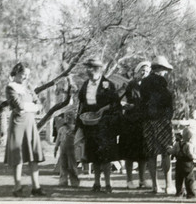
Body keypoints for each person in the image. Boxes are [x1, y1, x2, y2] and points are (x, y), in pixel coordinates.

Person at [75, 57, 120, 193]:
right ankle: (96, 183)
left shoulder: (108, 84)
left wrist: (103, 109)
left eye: (92, 68)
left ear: (98, 69)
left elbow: (115, 104)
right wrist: (80, 122)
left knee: (105, 155)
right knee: (93, 154)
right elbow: (81, 104)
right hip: (90, 123)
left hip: (105, 124)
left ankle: (108, 184)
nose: (89, 70)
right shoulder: (85, 85)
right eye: (88, 68)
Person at [4, 62, 46, 197]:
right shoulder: (10, 88)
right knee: (18, 157)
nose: (25, 77)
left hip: (30, 123)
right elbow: (19, 105)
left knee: (33, 156)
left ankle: (36, 187)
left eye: (27, 75)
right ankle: (17, 188)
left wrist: (33, 107)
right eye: (23, 74)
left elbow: (39, 104)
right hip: (18, 124)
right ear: (16, 73)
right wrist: (32, 107)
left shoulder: (28, 87)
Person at [140, 56, 175, 194]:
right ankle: (169, 185)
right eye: (165, 70)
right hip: (162, 120)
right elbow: (167, 101)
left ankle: (155, 185)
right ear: (160, 69)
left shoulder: (144, 82)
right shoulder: (161, 81)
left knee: (151, 153)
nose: (165, 72)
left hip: (148, 121)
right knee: (166, 152)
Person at [119, 61, 151, 189]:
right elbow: (121, 99)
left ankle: (142, 180)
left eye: (147, 71)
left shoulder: (149, 86)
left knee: (143, 154)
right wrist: (125, 105)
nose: (145, 73)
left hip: (143, 123)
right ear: (137, 72)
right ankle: (129, 180)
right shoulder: (131, 85)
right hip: (130, 123)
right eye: (142, 70)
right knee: (129, 153)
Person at [168, 127, 196, 199]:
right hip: (187, 164)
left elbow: (173, 151)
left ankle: (179, 192)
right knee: (189, 179)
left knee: (179, 178)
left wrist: (169, 149)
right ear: (191, 138)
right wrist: (195, 156)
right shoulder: (189, 145)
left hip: (179, 163)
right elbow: (190, 154)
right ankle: (191, 194)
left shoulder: (177, 144)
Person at [54, 112, 79, 187]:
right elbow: (58, 139)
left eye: (70, 118)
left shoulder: (75, 129)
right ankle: (63, 181)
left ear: (74, 119)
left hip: (72, 150)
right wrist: (55, 148)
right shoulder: (61, 129)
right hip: (63, 149)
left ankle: (74, 182)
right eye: (67, 118)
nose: (68, 119)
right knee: (63, 165)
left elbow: (78, 139)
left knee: (72, 166)